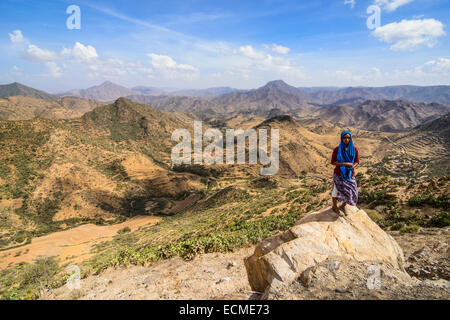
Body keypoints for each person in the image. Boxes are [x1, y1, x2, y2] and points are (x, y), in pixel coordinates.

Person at [330, 130, 360, 215]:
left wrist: (352, 167)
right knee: (335, 190)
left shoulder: (354, 149)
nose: (346, 139)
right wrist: (345, 164)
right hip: (339, 173)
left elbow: (357, 161)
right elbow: (333, 162)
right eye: (344, 138)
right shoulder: (337, 149)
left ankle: (343, 205)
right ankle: (335, 206)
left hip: (350, 174)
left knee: (351, 190)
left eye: (348, 138)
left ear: (350, 139)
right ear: (341, 138)